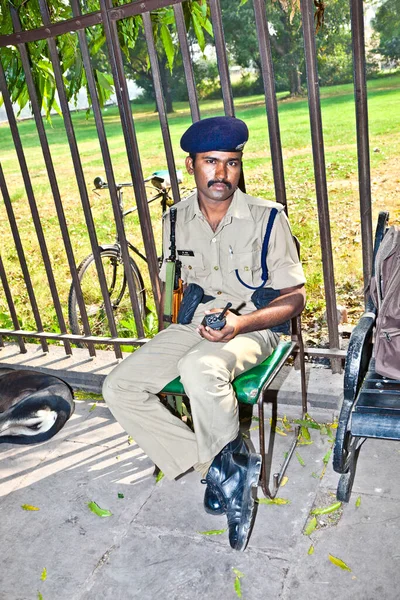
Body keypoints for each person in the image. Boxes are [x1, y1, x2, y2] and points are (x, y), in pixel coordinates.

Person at [103, 116, 306, 551]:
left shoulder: (267, 218)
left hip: (253, 325)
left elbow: (294, 299)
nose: (222, 174)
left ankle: (224, 467)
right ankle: (221, 468)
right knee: (119, 386)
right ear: (191, 165)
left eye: (231, 163)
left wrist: (239, 324)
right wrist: (172, 318)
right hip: (193, 322)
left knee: (200, 367)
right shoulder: (174, 221)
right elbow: (171, 288)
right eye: (211, 162)